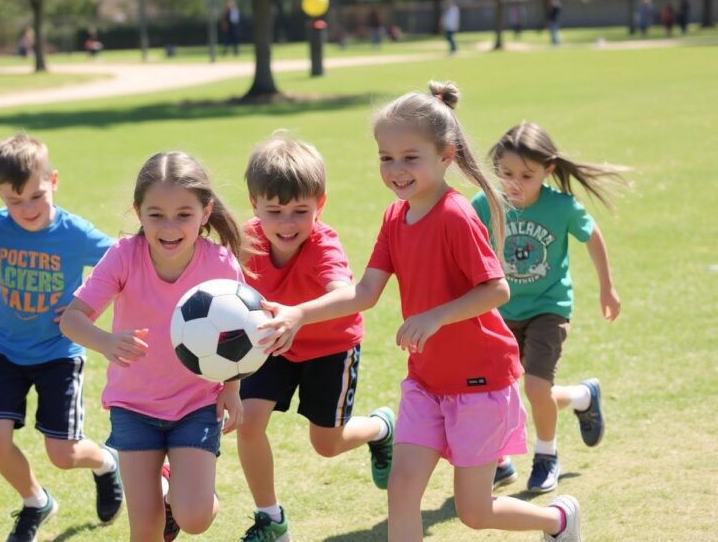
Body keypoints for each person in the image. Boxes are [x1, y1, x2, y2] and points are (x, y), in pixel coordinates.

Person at [259, 81, 585, 542]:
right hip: (425, 382)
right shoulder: (395, 217)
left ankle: (558, 520)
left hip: (479, 383)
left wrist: (434, 316)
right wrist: (297, 314)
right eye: (385, 157)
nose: (396, 169)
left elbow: (495, 290)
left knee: (474, 511)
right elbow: (365, 292)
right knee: (401, 491)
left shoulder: (455, 215)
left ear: (445, 156)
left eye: (410, 157)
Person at [60, 151, 248, 542]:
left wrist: (231, 388)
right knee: (146, 529)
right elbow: (71, 319)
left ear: (205, 211)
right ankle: (169, 490)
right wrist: (107, 341)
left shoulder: (221, 264)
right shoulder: (124, 256)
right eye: (156, 214)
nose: (169, 227)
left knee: (194, 518)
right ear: (138, 212)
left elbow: (241, 336)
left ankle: (182, 492)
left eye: (184, 214)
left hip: (195, 404)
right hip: (135, 407)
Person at [235, 132, 396, 542]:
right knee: (248, 422)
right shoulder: (245, 240)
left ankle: (381, 428)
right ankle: (271, 519)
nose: (287, 223)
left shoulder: (324, 245)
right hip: (275, 343)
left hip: (331, 347)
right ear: (254, 204)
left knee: (326, 444)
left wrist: (300, 316)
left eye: (300, 211)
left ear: (319, 205)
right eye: (274, 211)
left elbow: (348, 294)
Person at [0, 134, 122, 542]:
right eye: (14, 201)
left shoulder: (74, 233)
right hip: (5, 348)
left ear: (53, 180)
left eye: (36, 196)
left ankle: (107, 463)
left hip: (59, 352)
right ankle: (35, 501)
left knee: (63, 455)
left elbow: (122, 266)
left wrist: (87, 308)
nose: (26, 210)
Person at [473, 122, 629, 494]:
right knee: (497, 390)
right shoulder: (485, 205)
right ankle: (579, 399)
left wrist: (607, 288)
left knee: (535, 385)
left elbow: (592, 237)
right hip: (501, 308)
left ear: (548, 170)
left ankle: (547, 456)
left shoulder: (561, 207)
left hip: (549, 307)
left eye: (527, 175)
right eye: (507, 173)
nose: (515, 183)